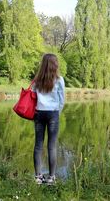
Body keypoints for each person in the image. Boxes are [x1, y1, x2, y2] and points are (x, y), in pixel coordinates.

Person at [32, 53, 65, 185]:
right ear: (55, 65)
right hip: (53, 114)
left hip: (39, 113)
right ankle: (51, 177)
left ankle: (38, 177)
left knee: (38, 145)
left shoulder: (37, 80)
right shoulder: (59, 80)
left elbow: (33, 98)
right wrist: (58, 113)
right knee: (51, 146)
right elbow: (62, 100)